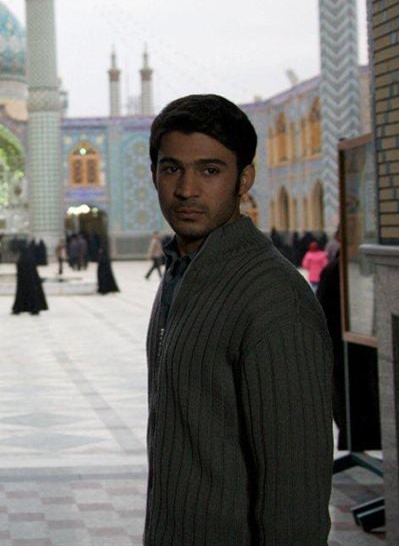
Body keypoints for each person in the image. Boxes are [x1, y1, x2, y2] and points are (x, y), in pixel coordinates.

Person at [144, 94, 332, 544]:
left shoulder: (272, 298)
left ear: (244, 178)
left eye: (210, 171)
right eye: (172, 168)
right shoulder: (181, 275)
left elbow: (296, 494)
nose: (187, 189)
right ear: (154, 174)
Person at [11, 244, 48, 316]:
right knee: (32, 295)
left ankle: (20, 309)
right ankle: (34, 309)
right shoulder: (30, 258)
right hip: (32, 282)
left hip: (23, 283)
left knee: (22, 295)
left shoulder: (22, 259)